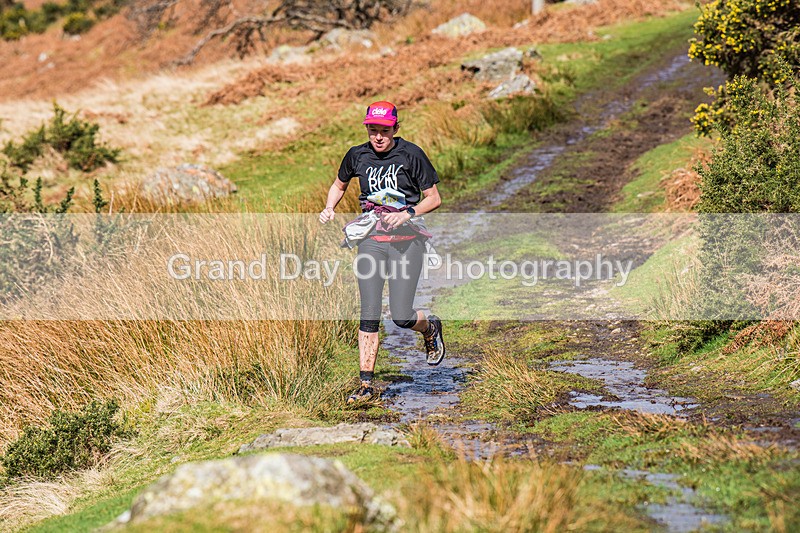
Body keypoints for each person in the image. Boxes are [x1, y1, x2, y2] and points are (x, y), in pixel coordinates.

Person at [319, 100, 445, 404]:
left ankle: (430, 328)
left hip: (407, 241)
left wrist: (408, 213)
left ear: (395, 129)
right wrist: (329, 206)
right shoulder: (356, 155)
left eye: (384, 131)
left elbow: (434, 198)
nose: (378, 136)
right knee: (369, 311)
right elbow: (339, 185)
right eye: (373, 130)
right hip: (371, 240)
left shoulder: (411, 154)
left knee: (401, 316)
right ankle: (365, 385)